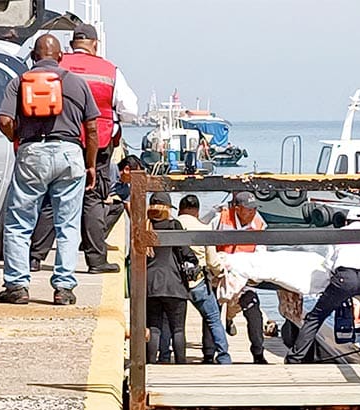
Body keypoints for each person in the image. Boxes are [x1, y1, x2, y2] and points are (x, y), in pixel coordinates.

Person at [0, 34, 100, 305]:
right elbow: (91, 129)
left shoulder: (19, 82)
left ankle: (17, 286)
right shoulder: (77, 83)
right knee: (67, 224)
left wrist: (16, 136)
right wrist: (91, 165)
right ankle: (64, 288)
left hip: (33, 152)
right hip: (70, 154)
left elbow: (5, 120)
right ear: (61, 56)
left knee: (19, 223)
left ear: (33, 56)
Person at [59, 24, 138, 273]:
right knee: (92, 198)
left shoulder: (57, 64)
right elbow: (130, 110)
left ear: (72, 44)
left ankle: (35, 257)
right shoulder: (109, 70)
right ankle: (96, 260)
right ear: (94, 44)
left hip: (61, 136)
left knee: (53, 197)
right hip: (99, 141)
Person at [284, 207, 360, 363]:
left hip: (344, 279)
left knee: (316, 317)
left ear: (346, 221)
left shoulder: (340, 234)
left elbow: (329, 264)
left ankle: (295, 357)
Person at [29, 154, 143, 270]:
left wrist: (140, 230)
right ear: (127, 169)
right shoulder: (108, 169)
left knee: (116, 207)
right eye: (135, 176)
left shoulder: (124, 187)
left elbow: (130, 209)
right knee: (59, 209)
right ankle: (36, 256)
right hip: (80, 191)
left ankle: (92, 242)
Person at [177, 195, 232, 364]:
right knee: (213, 318)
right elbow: (212, 261)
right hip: (198, 281)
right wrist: (220, 271)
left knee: (172, 324)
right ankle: (223, 356)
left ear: (180, 209)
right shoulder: (204, 228)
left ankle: (165, 356)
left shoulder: (173, 225)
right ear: (198, 211)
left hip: (176, 281)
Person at [215, 191, 268, 364]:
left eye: (254, 209)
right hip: (220, 274)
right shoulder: (221, 218)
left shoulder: (259, 224)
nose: (252, 212)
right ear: (237, 208)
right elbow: (205, 241)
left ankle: (258, 353)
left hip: (245, 277)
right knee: (212, 313)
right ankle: (209, 354)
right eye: (248, 209)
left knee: (254, 313)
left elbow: (261, 253)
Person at [146, 192, 196, 364]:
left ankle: (150, 363)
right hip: (174, 283)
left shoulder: (145, 225)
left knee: (154, 327)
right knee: (178, 329)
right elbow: (186, 252)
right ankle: (181, 363)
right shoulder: (174, 225)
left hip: (150, 284)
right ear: (167, 208)